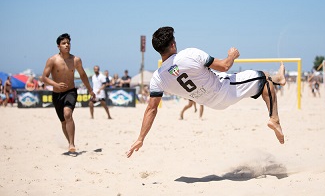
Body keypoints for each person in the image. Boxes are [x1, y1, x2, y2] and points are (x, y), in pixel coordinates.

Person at [126, 26, 286, 158]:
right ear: (173, 45)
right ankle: (274, 119)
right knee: (264, 81)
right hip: (224, 89)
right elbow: (224, 66)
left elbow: (151, 109)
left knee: (263, 78)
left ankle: (278, 78)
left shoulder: (157, 78)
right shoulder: (189, 54)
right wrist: (232, 55)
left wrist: (141, 138)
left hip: (211, 103)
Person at [42, 33, 95, 153]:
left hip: (71, 91)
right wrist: (55, 85)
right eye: (64, 43)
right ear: (58, 46)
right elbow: (44, 78)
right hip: (57, 94)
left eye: (68, 43)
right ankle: (69, 142)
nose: (67, 45)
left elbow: (82, 75)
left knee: (67, 114)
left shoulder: (76, 60)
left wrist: (90, 90)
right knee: (63, 121)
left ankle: (72, 144)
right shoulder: (52, 60)